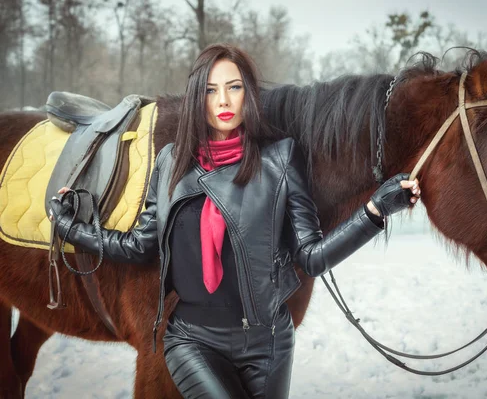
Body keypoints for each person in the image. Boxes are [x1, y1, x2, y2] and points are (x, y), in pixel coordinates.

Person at [48, 43, 421, 399]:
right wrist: (70, 227)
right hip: (191, 340)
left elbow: (310, 257)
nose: (224, 100)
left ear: (249, 95)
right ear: (198, 98)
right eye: (211, 90)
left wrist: (375, 210)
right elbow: (139, 246)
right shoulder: (170, 161)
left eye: (234, 87)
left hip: (268, 343)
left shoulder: (280, 159)